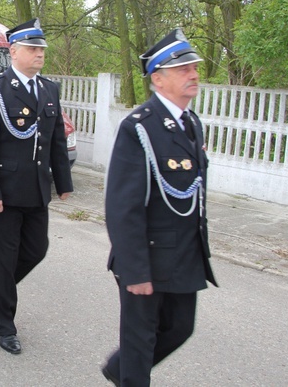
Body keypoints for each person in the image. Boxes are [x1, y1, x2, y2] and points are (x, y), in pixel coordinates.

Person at [101, 29, 217, 387]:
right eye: (183, 69)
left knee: (181, 328)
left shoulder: (191, 123)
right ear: (158, 78)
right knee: (139, 345)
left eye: (194, 67)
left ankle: (118, 371)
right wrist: (135, 271)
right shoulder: (139, 128)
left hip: (183, 255)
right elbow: (122, 206)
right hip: (147, 256)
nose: (194, 74)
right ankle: (129, 374)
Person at [0, 19, 73, 355]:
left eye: (41, 48)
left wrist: (64, 182)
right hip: (4, 191)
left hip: (37, 189)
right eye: (32, 48)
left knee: (37, 249)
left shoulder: (49, 90)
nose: (39, 54)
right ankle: (5, 326)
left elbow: (56, 140)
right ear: (13, 51)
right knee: (4, 258)